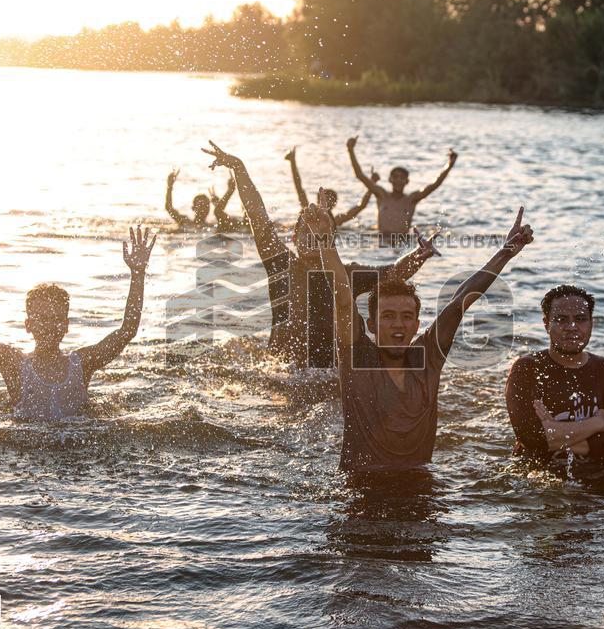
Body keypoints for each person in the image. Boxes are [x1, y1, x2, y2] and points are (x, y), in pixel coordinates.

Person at [309, 203, 534, 471]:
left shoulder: (427, 358)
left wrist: (506, 252)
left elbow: (460, 301)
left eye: (406, 317)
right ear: (371, 324)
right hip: (361, 491)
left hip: (421, 487)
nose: (398, 325)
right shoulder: (358, 356)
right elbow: (343, 298)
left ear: (416, 325)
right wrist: (324, 241)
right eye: (388, 316)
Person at [202, 141, 440, 370]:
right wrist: (239, 168)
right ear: (294, 239)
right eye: (307, 230)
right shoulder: (281, 264)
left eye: (320, 232)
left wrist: (420, 253)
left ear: (331, 240)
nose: (313, 237)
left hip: (328, 371)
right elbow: (257, 216)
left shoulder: (346, 275)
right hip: (283, 371)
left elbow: (392, 273)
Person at [0, 221, 156, 419]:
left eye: (55, 319)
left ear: (66, 326)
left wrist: (137, 274)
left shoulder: (81, 365)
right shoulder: (15, 366)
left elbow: (127, 331)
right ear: (28, 325)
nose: (49, 326)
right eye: (42, 319)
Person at [506, 285, 604, 463]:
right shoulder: (527, 368)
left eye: (581, 319)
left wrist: (555, 434)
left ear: (591, 323)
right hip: (539, 476)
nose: (572, 327)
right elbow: (532, 439)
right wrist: (598, 424)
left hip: (598, 474)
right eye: (561, 319)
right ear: (546, 324)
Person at [346, 135, 457, 238]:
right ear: (390, 179)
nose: (398, 180)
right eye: (395, 177)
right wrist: (351, 150)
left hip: (403, 241)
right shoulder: (381, 195)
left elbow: (434, 185)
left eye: (401, 177)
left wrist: (449, 165)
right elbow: (360, 175)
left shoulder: (411, 199)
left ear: (407, 181)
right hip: (381, 241)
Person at [285, 146, 372, 227]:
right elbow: (299, 188)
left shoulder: (336, 220)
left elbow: (361, 206)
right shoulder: (310, 212)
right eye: (323, 200)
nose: (324, 203)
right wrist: (293, 162)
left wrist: (372, 184)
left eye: (327, 200)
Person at [165, 168, 248, 233]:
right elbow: (169, 208)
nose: (204, 209)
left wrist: (218, 205)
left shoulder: (212, 226)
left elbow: (221, 215)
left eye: (206, 206)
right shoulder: (185, 222)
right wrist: (169, 186)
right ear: (193, 208)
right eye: (200, 205)